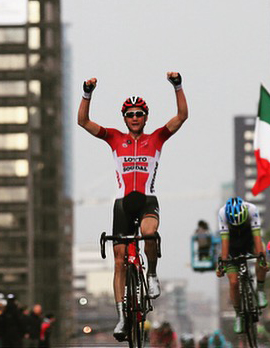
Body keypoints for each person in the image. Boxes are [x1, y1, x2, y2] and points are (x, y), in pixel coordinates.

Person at [77, 72, 188, 340]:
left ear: (146, 117)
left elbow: (182, 116)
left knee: (149, 235)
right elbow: (83, 121)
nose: (135, 118)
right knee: (118, 262)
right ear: (124, 118)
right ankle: (121, 317)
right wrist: (87, 93)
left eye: (139, 113)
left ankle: (151, 274)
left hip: (147, 200)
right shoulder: (115, 138)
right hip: (122, 205)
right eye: (130, 114)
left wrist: (178, 86)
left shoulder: (157, 138)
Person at [215, 197, 270, 334]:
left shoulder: (252, 210)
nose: (238, 226)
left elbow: (257, 238)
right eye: (235, 225)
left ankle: (260, 289)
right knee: (233, 282)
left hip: (249, 242)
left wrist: (262, 260)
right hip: (232, 247)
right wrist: (222, 265)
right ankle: (238, 314)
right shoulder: (222, 214)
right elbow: (225, 245)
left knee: (261, 255)